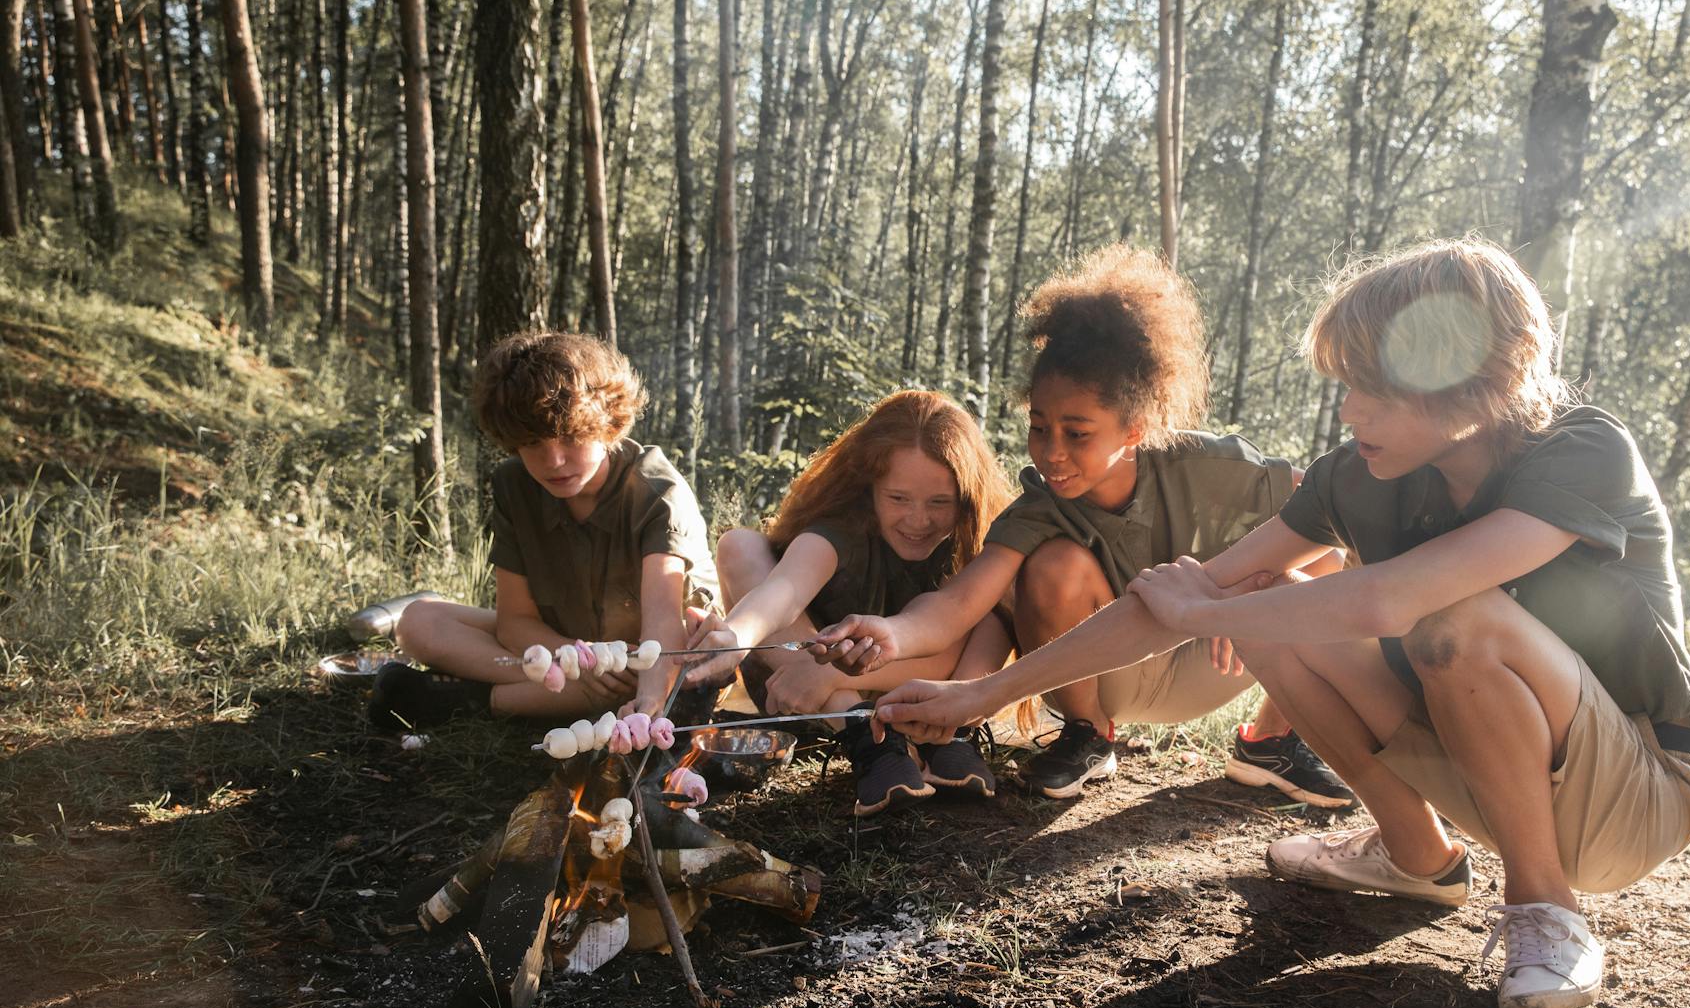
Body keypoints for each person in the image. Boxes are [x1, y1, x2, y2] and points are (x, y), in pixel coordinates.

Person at [869, 239, 1690, 1008]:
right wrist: (981, 693)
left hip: (1631, 797)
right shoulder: (1361, 475)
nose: (1349, 411)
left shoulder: (1582, 450)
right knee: (1276, 600)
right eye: (1347, 385)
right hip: (1482, 771)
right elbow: (1181, 595)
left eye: (1373, 388)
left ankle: (1546, 912)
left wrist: (1208, 614)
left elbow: (1390, 600)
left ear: (1470, 379)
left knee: (1458, 620)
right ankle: (1416, 855)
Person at [810, 246, 1350, 805]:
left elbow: (1331, 519)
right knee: (1053, 564)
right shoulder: (1039, 508)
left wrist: (1239, 595)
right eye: (1039, 427)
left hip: (1208, 663)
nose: (1052, 452)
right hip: (1094, 669)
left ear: (1135, 429)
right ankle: (1088, 735)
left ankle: (1271, 741)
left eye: (1078, 433)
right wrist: (891, 633)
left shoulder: (1208, 466)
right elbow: (957, 604)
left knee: (1318, 568)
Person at [680, 391, 1014, 817]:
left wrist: (829, 675)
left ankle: (951, 734)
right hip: (797, 684)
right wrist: (736, 635)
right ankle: (869, 738)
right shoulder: (841, 528)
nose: (918, 520)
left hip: (907, 688)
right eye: (898, 498)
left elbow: (947, 643)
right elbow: (784, 591)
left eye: (939, 502)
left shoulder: (971, 544)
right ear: (869, 487)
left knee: (995, 605)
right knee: (739, 545)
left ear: (966, 497)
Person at [368, 331, 719, 731]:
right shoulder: (514, 484)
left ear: (608, 422)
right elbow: (515, 622)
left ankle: (467, 700)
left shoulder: (657, 493)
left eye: (571, 437)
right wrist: (579, 660)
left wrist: (648, 705)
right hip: (569, 646)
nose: (553, 460)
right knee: (418, 621)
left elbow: (663, 628)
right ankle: (537, 693)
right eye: (533, 442)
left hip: (652, 660)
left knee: (637, 681)